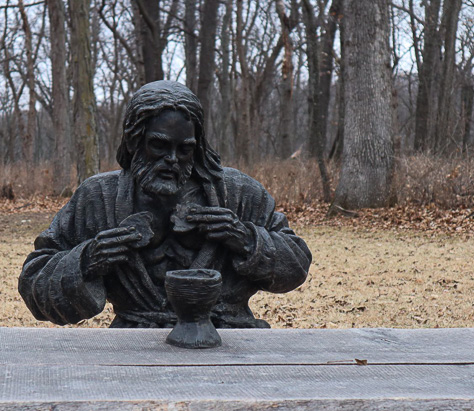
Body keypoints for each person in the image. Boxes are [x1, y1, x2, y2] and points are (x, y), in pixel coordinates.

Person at [19, 80, 311, 328]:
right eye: (159, 145)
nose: (172, 160)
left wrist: (244, 238)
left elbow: (296, 265)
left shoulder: (238, 193)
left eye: (184, 149)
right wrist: (88, 259)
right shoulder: (98, 197)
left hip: (228, 340)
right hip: (133, 346)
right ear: (135, 140)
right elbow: (34, 281)